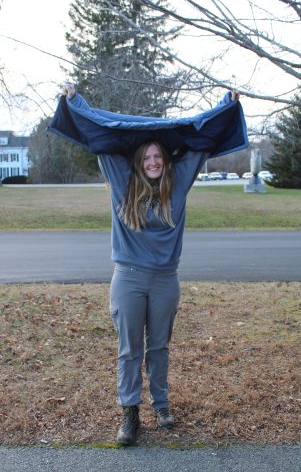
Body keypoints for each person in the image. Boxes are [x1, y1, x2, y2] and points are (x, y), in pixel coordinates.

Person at [60, 84, 240, 445]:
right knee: (130, 350)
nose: (153, 162)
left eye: (158, 157)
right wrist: (76, 100)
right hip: (127, 277)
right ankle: (130, 414)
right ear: (138, 161)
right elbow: (98, 134)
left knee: (159, 347)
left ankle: (161, 404)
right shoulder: (121, 180)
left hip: (165, 279)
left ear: (166, 160)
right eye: (147, 158)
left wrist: (226, 104)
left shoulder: (178, 183)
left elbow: (204, 138)